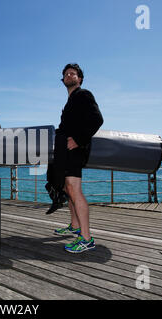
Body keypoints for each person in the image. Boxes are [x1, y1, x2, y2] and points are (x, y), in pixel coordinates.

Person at [52, 63, 103, 254]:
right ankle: (74, 225)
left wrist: (78, 140)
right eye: (66, 74)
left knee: (74, 188)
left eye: (73, 73)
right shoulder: (70, 101)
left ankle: (87, 238)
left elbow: (97, 119)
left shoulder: (84, 94)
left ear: (79, 79)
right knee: (67, 188)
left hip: (76, 149)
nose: (69, 75)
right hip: (66, 150)